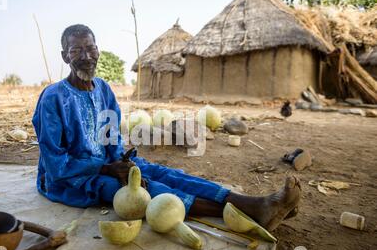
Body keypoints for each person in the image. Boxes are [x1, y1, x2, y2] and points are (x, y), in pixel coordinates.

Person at [32, 24, 301, 232]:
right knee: (143, 192)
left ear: (98, 50)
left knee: (162, 173)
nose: (86, 56)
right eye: (76, 50)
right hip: (71, 179)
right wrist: (108, 170)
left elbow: (111, 138)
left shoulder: (103, 89)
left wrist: (122, 165)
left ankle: (245, 201)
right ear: (64, 56)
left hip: (107, 164)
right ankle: (249, 211)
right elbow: (56, 164)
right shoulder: (53, 97)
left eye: (90, 48)